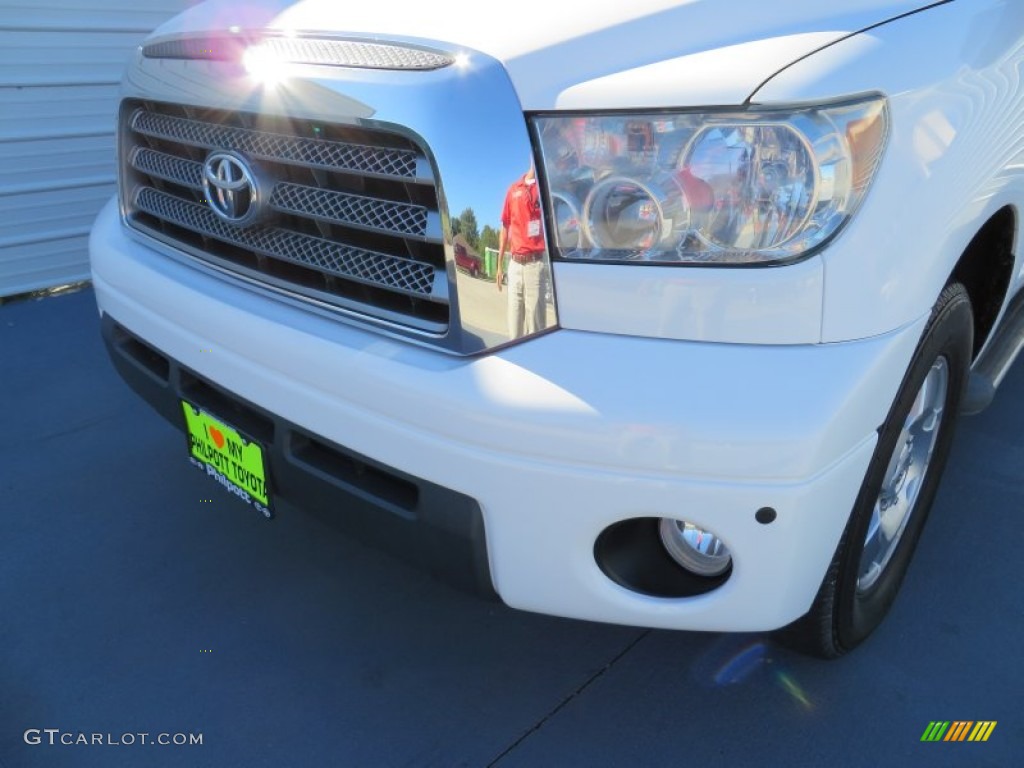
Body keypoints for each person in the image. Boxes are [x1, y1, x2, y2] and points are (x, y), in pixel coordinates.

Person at [495, 167, 547, 338]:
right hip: (515, 265)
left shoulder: (546, 188)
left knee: (536, 329)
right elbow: (504, 228)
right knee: (514, 327)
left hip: (535, 264)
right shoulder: (513, 189)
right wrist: (499, 266)